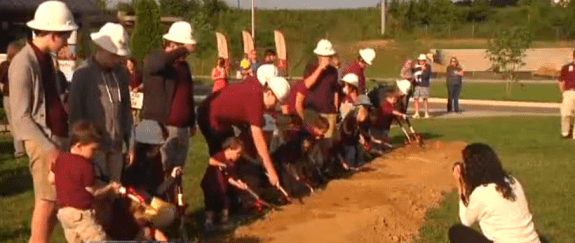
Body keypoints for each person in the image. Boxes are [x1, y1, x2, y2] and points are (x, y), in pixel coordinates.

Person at [8, 2, 77, 242]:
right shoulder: (23, 63)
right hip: (43, 142)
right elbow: (21, 117)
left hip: (54, 138)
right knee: (46, 204)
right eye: (65, 35)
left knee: (54, 205)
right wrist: (50, 149)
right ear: (52, 34)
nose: (67, 41)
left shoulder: (45, 59)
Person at [68, 23, 135, 228]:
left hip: (115, 146)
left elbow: (126, 110)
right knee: (95, 195)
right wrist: (80, 149)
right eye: (114, 55)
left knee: (113, 194)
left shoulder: (121, 74)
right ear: (102, 49)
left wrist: (130, 144)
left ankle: (109, 233)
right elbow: (75, 115)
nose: (118, 60)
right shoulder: (83, 74)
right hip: (93, 149)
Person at [197, 76, 290, 187]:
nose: (276, 106)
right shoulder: (256, 102)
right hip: (210, 118)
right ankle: (220, 190)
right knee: (225, 158)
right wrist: (271, 170)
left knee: (236, 153)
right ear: (269, 93)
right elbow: (258, 139)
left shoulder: (256, 86)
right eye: (277, 102)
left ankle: (234, 184)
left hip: (220, 118)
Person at [450, 143, 540, 243]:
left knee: (456, 232)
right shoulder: (512, 182)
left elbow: (465, 220)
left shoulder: (482, 193)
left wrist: (461, 185)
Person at [49, 121, 122, 243]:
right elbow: (94, 192)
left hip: (63, 213)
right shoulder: (85, 165)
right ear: (79, 146)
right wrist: (110, 188)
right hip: (81, 213)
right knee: (99, 239)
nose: (95, 153)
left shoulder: (60, 158)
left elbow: (51, 179)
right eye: (93, 149)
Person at [142, 21, 197, 176]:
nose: (184, 55)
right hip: (164, 126)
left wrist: (192, 122)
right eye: (182, 50)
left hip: (183, 129)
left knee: (177, 173)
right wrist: (181, 49)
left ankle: (174, 199)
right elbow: (155, 63)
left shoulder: (184, 67)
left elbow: (187, 95)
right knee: (162, 169)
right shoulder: (158, 62)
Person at [201, 137, 247, 231]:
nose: (238, 156)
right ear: (229, 149)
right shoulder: (220, 156)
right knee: (210, 203)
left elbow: (230, 178)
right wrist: (221, 164)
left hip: (223, 187)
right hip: (211, 185)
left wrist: (239, 184)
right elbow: (210, 160)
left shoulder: (232, 164)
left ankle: (224, 221)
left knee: (225, 202)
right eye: (237, 153)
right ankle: (208, 223)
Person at [303, 39, 339, 152]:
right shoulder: (310, 67)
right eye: (326, 56)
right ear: (319, 56)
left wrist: (335, 109)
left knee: (328, 143)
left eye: (330, 56)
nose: (329, 59)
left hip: (329, 111)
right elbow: (307, 84)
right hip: (314, 111)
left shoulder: (333, 71)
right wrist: (320, 68)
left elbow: (335, 90)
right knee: (313, 142)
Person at [0, 42, 25, 158]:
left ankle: (21, 149)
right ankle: (20, 150)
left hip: (16, 96)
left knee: (18, 124)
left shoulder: (20, 64)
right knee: (15, 124)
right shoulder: (5, 65)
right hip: (10, 96)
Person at [558, 50, 575, 139]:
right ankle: (565, 132)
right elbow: (561, 80)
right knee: (565, 114)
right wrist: (563, 92)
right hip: (569, 92)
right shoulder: (566, 67)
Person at [412, 54, 432, 119]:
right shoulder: (417, 67)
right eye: (420, 60)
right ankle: (417, 113)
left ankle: (426, 113)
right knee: (416, 98)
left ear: (424, 61)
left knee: (424, 99)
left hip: (424, 85)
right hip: (417, 84)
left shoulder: (428, 67)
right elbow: (414, 74)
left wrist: (422, 70)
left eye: (422, 60)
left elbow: (426, 76)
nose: (421, 62)